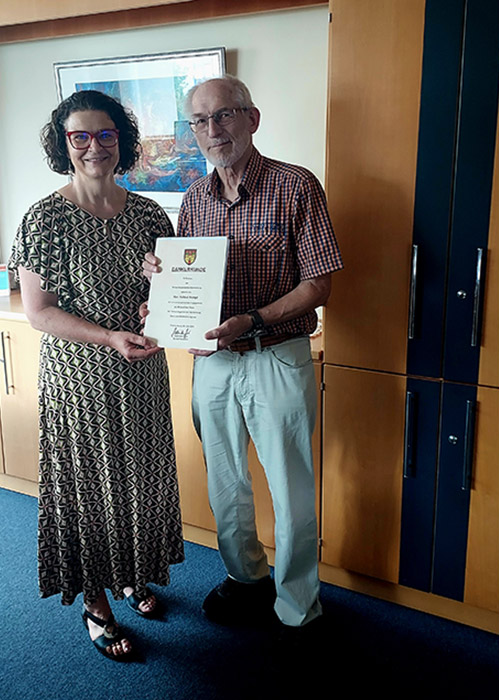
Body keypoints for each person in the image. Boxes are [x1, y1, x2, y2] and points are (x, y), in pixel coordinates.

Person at [144, 75, 342, 634]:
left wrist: (252, 320)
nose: (213, 130)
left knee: (291, 486)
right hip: (213, 362)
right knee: (225, 482)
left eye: (224, 115)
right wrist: (160, 289)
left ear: (252, 119)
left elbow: (319, 285)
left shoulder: (295, 186)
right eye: (200, 121)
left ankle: (298, 604)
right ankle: (245, 576)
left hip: (277, 355)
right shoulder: (193, 199)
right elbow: (189, 284)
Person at [9, 90, 183, 661]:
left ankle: (132, 576)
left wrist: (159, 292)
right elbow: (39, 312)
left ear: (122, 141)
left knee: (138, 480)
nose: (93, 147)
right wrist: (108, 336)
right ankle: (97, 602)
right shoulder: (45, 218)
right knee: (89, 488)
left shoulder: (151, 214)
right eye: (79, 136)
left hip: (141, 375)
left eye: (105, 135)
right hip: (80, 376)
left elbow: (166, 298)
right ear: (63, 144)